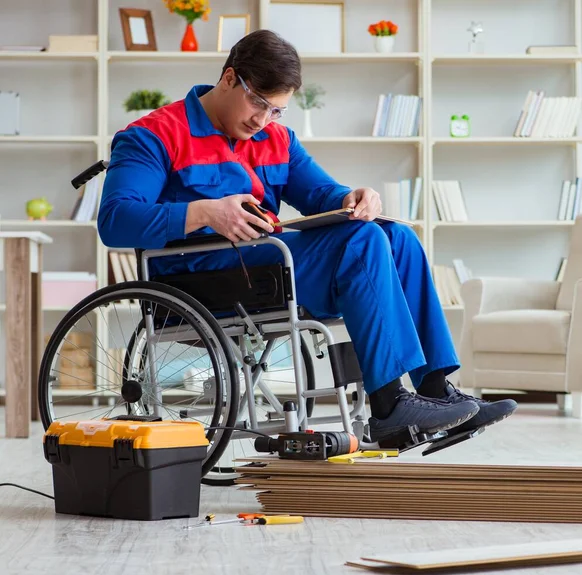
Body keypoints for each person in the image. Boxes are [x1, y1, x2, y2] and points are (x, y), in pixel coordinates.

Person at [98, 29, 517, 443]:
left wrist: (353, 198)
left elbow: (320, 193)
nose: (263, 120)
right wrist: (202, 211)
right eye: (258, 103)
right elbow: (115, 220)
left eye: (276, 110)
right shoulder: (153, 135)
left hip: (265, 267)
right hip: (199, 279)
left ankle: (434, 389)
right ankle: (390, 405)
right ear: (229, 79)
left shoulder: (275, 138)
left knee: (393, 237)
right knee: (364, 243)